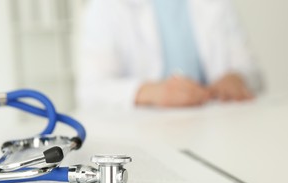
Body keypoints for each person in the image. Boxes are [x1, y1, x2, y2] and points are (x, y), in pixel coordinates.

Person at [77, 0, 262, 110]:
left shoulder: (215, 4)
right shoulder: (108, 6)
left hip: (213, 122)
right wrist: (146, 92)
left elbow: (254, 74)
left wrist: (237, 77)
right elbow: (90, 91)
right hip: (147, 130)